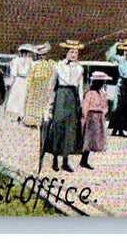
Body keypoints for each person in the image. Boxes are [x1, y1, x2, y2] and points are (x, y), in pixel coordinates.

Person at [42, 40, 85, 172]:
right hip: (61, 96)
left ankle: (65, 161)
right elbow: (51, 86)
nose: (74, 55)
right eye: (71, 52)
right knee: (58, 127)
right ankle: (55, 159)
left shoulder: (79, 68)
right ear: (66, 52)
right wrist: (49, 105)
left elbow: (80, 88)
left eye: (76, 52)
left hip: (72, 98)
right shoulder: (58, 66)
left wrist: (81, 105)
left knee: (70, 130)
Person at [79, 71, 111, 169]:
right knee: (88, 138)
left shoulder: (102, 93)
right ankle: (83, 160)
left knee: (94, 139)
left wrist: (103, 114)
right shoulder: (90, 93)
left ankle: (85, 160)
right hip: (91, 117)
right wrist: (85, 117)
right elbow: (85, 107)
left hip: (99, 117)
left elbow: (105, 105)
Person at [22, 43, 54, 127]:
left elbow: (51, 75)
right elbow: (31, 76)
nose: (43, 57)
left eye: (44, 55)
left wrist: (49, 85)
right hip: (35, 86)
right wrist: (29, 86)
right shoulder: (35, 64)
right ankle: (31, 121)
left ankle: (41, 121)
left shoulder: (49, 64)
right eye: (41, 55)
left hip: (44, 85)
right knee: (33, 103)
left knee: (42, 103)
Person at [4, 44, 36, 122]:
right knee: (22, 97)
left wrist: (10, 83)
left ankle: (18, 115)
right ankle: (20, 115)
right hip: (25, 80)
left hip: (19, 80)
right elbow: (33, 71)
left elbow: (14, 73)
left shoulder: (16, 61)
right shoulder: (31, 61)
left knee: (18, 97)